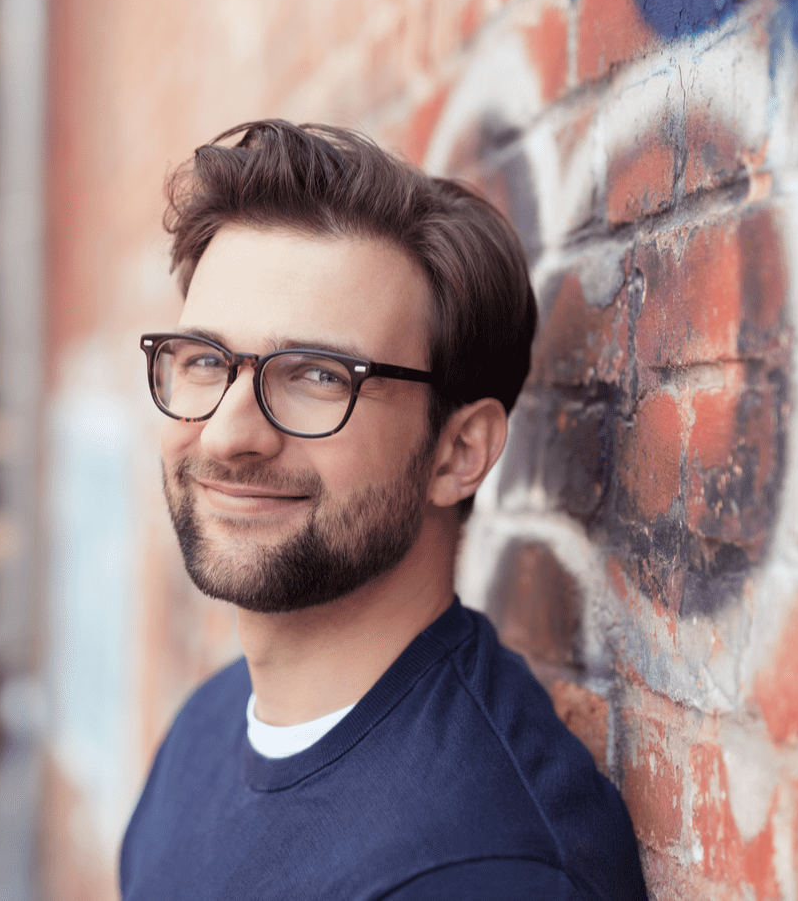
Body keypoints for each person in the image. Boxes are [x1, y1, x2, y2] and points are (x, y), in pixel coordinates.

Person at [120, 120, 647, 900]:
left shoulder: (483, 865)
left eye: (319, 376)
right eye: (204, 361)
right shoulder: (208, 727)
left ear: (457, 453)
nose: (231, 434)